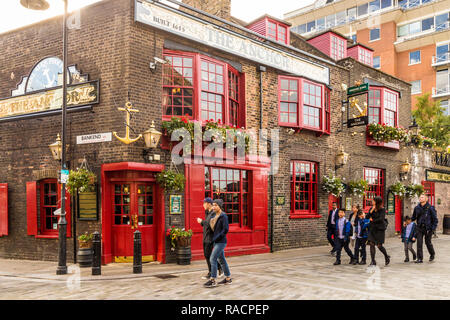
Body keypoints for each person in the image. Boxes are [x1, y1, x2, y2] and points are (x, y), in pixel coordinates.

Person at [204, 199, 232, 288]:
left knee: (212, 258)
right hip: (216, 241)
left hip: (221, 241)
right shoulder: (214, 215)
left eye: (216, 205)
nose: (214, 207)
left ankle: (213, 280)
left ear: (220, 206)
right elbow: (209, 225)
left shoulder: (223, 216)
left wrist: (217, 237)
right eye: (213, 205)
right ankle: (228, 279)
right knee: (221, 260)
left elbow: (225, 229)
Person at [197, 198, 222, 279]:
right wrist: (202, 223)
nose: (203, 205)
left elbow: (208, 224)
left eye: (204, 203)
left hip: (210, 237)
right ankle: (219, 267)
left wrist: (201, 221)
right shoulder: (207, 212)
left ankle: (211, 273)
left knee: (208, 255)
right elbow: (206, 225)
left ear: (208, 204)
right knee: (208, 255)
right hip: (205, 236)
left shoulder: (213, 213)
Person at [411, 194, 438, 263]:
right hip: (419, 227)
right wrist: (407, 221)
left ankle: (432, 254)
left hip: (428, 228)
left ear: (426, 199)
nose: (420, 198)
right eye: (420, 197)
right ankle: (420, 258)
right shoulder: (417, 208)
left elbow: (435, 219)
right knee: (419, 243)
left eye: (422, 197)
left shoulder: (430, 208)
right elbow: (413, 217)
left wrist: (433, 228)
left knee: (427, 242)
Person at [366, 196, 390, 266]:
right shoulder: (372, 208)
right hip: (372, 229)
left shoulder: (382, 209)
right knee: (371, 244)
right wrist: (371, 211)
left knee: (379, 246)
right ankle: (373, 261)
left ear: (377, 202)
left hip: (380, 229)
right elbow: (367, 217)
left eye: (373, 200)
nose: (372, 201)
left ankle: (386, 256)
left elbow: (381, 219)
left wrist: (372, 220)